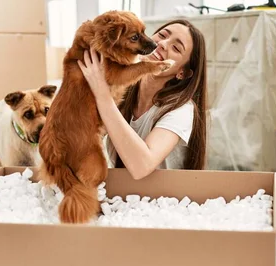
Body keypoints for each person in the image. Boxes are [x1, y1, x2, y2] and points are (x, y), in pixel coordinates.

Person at [77, 19, 208, 180]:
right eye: (162, 35)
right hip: (122, 195)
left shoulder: (181, 110)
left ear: (182, 73)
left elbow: (141, 167)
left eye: (175, 48)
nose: (163, 44)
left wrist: (102, 95)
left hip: (161, 200)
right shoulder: (122, 89)